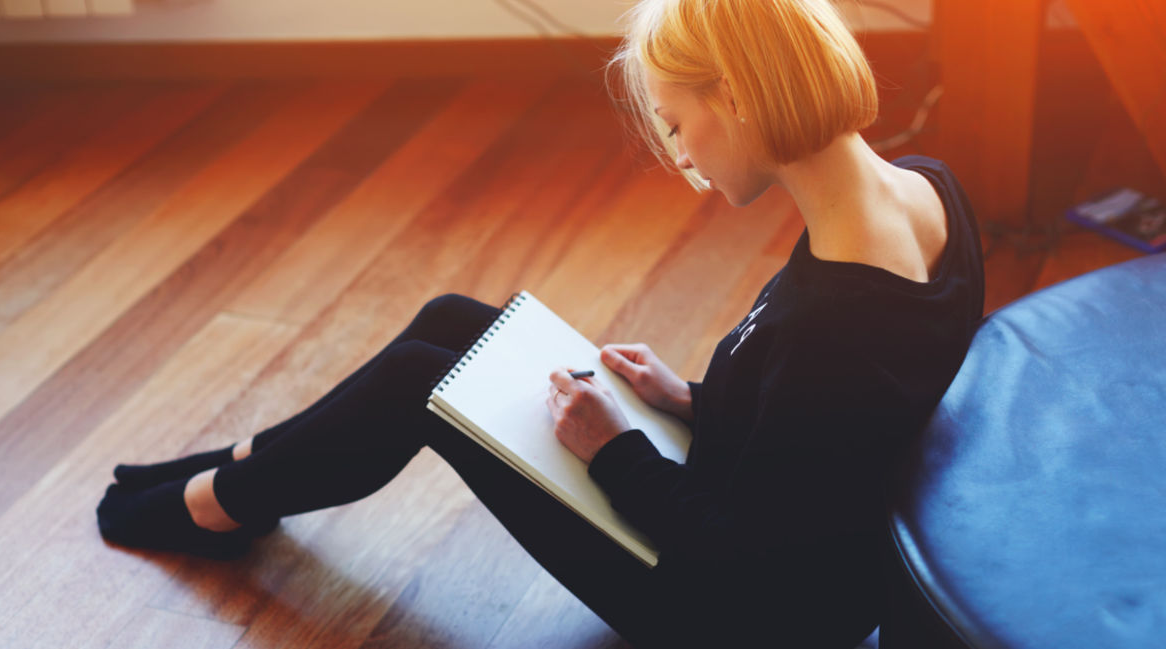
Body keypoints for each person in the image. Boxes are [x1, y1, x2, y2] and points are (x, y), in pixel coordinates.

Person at [97, 0, 985, 646]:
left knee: (424, 382)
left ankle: (218, 501)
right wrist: (688, 399)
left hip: (733, 614)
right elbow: (831, 434)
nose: (680, 154)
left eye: (678, 123)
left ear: (739, 97)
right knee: (452, 323)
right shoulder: (924, 194)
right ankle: (253, 468)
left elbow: (735, 552)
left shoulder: (835, 317)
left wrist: (615, 451)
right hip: (790, 540)